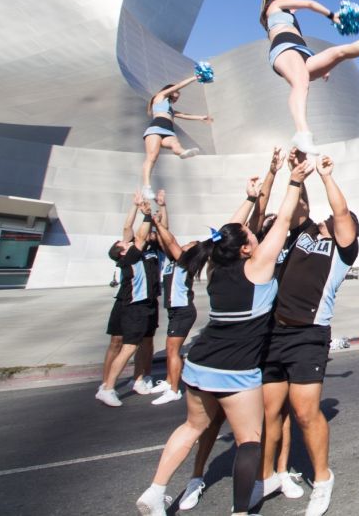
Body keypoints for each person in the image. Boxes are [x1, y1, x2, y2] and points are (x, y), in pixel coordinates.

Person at [135, 161, 311, 516]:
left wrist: (248, 199)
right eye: (251, 237)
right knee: (250, 441)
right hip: (235, 367)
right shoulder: (258, 268)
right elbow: (280, 224)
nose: (255, 236)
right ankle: (241, 511)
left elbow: (227, 232)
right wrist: (293, 183)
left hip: (199, 363)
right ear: (246, 248)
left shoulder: (215, 265)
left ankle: (155, 491)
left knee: (192, 427)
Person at [259, 155, 359, 516]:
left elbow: (343, 212)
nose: (326, 218)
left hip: (309, 334)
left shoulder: (343, 250)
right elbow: (296, 207)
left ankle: (322, 478)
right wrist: (295, 173)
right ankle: (273, 473)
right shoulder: (303, 234)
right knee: (272, 411)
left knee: (304, 412)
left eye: (332, 219)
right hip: (275, 332)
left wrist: (327, 177)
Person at [260, 0, 359, 154]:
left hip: (302, 52)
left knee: (341, 52)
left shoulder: (290, 20)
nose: (294, 3)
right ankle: (302, 133)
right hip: (284, 47)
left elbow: (298, 40)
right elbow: (309, 3)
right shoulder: (275, 4)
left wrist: (319, 64)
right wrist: (332, 16)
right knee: (300, 83)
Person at [96, 197, 160, 407]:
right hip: (135, 306)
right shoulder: (131, 256)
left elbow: (128, 227)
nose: (126, 239)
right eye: (123, 242)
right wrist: (147, 214)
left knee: (139, 344)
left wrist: (135, 205)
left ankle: (138, 379)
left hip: (144, 304)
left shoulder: (133, 253)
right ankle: (107, 387)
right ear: (121, 251)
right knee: (128, 346)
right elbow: (139, 236)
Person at [149, 190, 200, 405]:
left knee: (173, 349)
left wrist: (156, 222)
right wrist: (162, 207)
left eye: (189, 244)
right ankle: (169, 380)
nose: (185, 245)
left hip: (183, 310)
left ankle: (174, 388)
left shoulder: (186, 261)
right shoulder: (173, 261)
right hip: (174, 310)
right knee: (171, 348)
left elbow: (170, 240)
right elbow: (166, 237)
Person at [140, 75, 213, 199]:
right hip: (156, 127)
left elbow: (184, 115)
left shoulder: (171, 110)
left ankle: (184, 152)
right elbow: (178, 85)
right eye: (176, 94)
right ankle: (146, 186)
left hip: (168, 130)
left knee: (176, 144)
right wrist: (195, 77)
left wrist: (201, 117)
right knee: (152, 156)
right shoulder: (160, 97)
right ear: (171, 91)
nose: (178, 96)